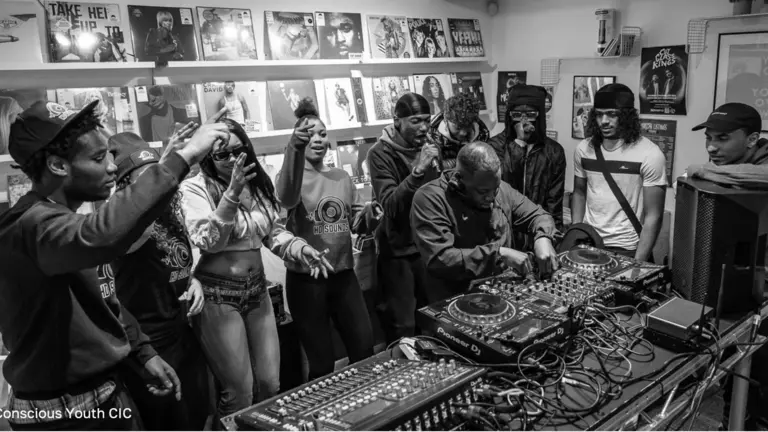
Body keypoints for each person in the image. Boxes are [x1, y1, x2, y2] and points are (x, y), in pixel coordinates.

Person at [0, 99, 226, 430]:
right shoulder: (29, 226)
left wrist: (143, 352)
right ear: (58, 166)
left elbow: (105, 298)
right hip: (62, 412)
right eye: (98, 157)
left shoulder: (61, 220)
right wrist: (184, 157)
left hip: (104, 392)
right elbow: (103, 234)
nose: (110, 167)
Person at [179, 118, 332, 422]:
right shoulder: (194, 188)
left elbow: (273, 233)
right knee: (239, 392)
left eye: (239, 151)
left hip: (257, 291)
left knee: (270, 384)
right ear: (208, 156)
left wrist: (300, 249)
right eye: (222, 155)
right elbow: (210, 241)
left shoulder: (258, 183)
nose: (233, 160)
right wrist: (232, 193)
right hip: (218, 296)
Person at [108, 123, 212, 431]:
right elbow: (139, 224)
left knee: (199, 413)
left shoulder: (167, 212)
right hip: (150, 344)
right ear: (126, 185)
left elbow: (172, 261)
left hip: (182, 331)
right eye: (145, 176)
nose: (157, 182)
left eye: (156, 171)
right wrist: (173, 159)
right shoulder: (125, 223)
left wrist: (190, 280)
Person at [275, 98, 374, 380]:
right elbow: (286, 199)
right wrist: (293, 150)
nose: (317, 139)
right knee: (322, 363)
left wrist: (370, 215)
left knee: (363, 349)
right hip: (307, 282)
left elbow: (357, 224)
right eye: (309, 134)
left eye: (322, 133)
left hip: (344, 276)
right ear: (297, 140)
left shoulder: (342, 176)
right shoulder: (288, 178)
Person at [688, 102, 768, 431]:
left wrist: (708, 171)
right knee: (739, 385)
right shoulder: (734, 164)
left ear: (752, 140)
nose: (711, 147)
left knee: (759, 388)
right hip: (738, 294)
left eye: (721, 139)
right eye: (708, 138)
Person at [411, 142, 559, 302]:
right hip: (456, 298)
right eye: (483, 192)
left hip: (501, 292)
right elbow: (441, 259)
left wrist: (543, 238)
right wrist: (500, 254)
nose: (491, 197)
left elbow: (538, 215)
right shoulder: (428, 199)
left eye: (495, 188)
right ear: (458, 181)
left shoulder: (499, 188)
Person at [368, 92, 439, 343]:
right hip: (398, 254)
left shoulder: (429, 147)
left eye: (427, 120)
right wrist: (418, 170)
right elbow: (390, 205)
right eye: (416, 121)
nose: (423, 127)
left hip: (430, 248)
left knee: (433, 321)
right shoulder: (379, 153)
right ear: (397, 121)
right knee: (403, 329)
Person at [571, 83, 667, 262]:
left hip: (627, 247)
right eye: (599, 114)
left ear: (627, 116)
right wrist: (576, 231)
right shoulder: (584, 149)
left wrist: (638, 262)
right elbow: (579, 192)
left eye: (612, 114)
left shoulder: (650, 154)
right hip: (589, 241)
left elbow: (654, 215)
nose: (604, 121)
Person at [488, 84, 566, 244]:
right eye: (517, 114)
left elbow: (554, 204)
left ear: (540, 116)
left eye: (530, 114)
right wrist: (518, 144)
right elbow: (499, 189)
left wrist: (551, 238)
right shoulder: (494, 147)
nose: (523, 121)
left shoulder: (553, 151)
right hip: (501, 234)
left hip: (539, 235)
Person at [428, 93, 490, 170]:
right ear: (445, 120)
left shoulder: (482, 134)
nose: (463, 133)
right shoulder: (433, 139)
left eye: (468, 127)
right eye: (458, 127)